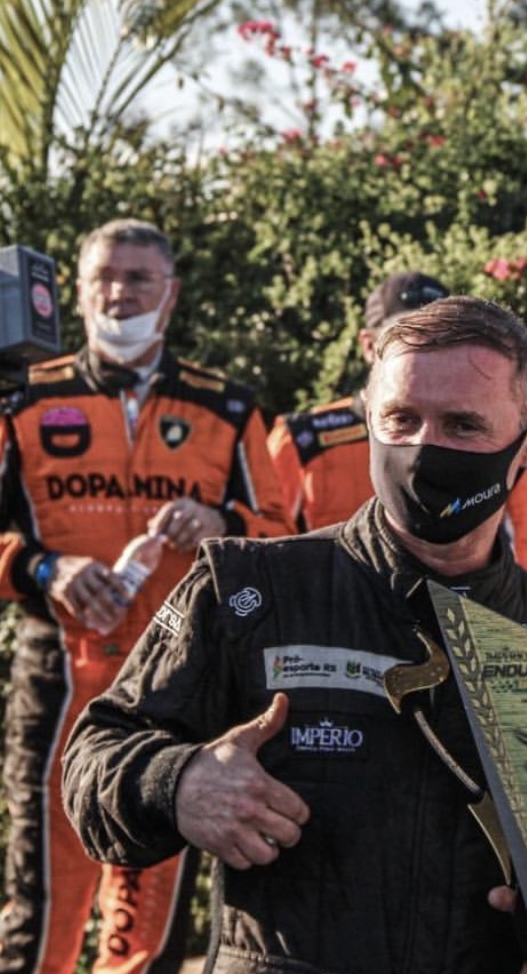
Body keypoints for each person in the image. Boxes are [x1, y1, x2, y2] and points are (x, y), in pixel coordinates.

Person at [60, 296, 527, 973]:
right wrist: (178, 781)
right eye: (401, 419)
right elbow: (92, 759)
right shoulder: (251, 588)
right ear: (369, 417)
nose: (426, 448)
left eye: (463, 425)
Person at [0, 219, 294, 973]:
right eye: (105, 276)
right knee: (43, 897)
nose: (119, 292)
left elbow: (287, 531)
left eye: (138, 278)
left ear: (171, 294)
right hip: (64, 670)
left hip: (179, 674)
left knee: (149, 893)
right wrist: (44, 570)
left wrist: (220, 522)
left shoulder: (227, 408)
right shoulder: (21, 401)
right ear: (76, 288)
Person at [267, 270, 527, 588]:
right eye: (406, 333)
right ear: (368, 345)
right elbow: (266, 546)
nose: (426, 349)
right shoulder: (303, 440)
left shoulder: (495, 446)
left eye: (443, 335)